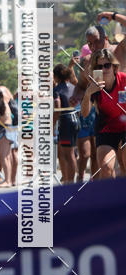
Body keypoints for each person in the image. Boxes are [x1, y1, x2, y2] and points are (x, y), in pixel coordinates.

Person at [81, 48, 126, 179]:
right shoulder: (94, 86)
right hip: (106, 128)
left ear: (114, 67)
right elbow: (84, 114)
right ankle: (111, 197)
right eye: (99, 67)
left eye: (107, 65)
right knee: (106, 167)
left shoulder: (123, 80)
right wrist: (88, 93)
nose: (104, 69)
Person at [53, 64, 78, 184]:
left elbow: (57, 107)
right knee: (70, 153)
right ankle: (69, 180)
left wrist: (52, 125)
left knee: (68, 154)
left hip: (65, 122)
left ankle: (70, 183)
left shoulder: (57, 89)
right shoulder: (73, 87)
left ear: (56, 76)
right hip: (75, 119)